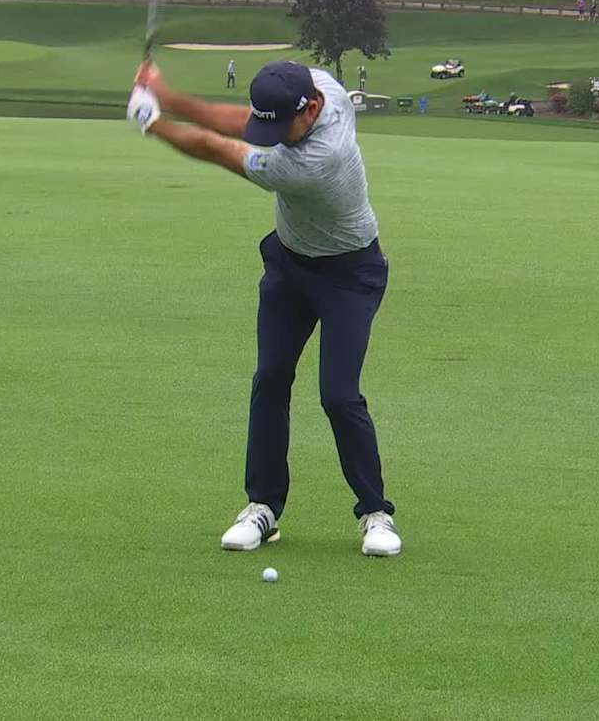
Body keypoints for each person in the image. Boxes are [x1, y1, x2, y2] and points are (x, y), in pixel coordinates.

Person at [125, 59, 402, 558]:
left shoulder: (310, 162)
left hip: (350, 274)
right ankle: (263, 506)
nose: (270, 135)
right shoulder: (319, 86)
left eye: (280, 126)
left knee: (339, 395)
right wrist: (167, 93)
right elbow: (238, 121)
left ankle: (375, 513)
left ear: (313, 109)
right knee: (270, 378)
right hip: (290, 265)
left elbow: (215, 146)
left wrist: (155, 121)